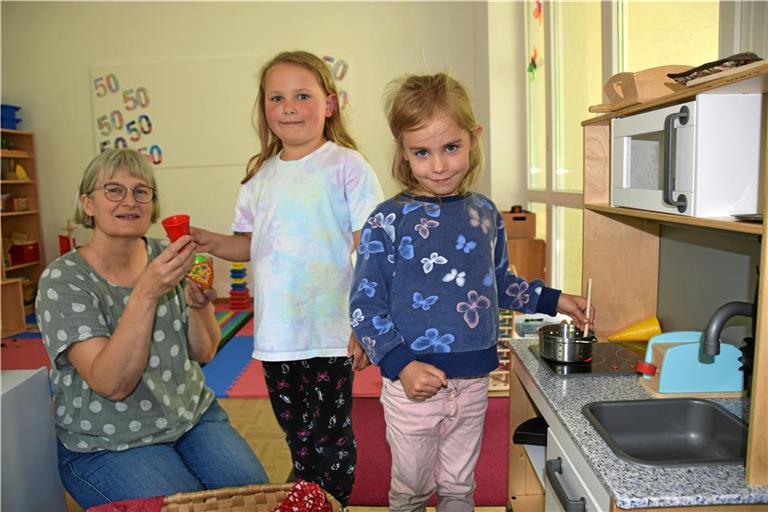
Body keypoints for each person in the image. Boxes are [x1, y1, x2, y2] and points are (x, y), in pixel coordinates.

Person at [348, 72, 593, 511]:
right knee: (410, 491)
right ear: (403, 151)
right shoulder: (386, 220)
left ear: (473, 137)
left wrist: (555, 301)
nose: (438, 165)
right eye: (421, 152)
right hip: (410, 385)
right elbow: (366, 306)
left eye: (450, 148)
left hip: (474, 381)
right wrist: (400, 365)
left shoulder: (484, 214)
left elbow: (501, 284)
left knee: (461, 488)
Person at [191, 50, 383, 506]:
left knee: (330, 436)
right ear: (265, 108)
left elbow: (370, 250)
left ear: (329, 104)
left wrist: (366, 322)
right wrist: (207, 240)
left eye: (302, 95)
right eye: (277, 97)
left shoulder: (346, 166)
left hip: (329, 331)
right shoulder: (259, 176)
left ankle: (331, 501)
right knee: (297, 437)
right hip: (277, 335)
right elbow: (249, 246)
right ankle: (305, 496)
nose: (290, 106)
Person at [36, 149, 268, 509]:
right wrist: (145, 293)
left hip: (191, 419)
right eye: (113, 190)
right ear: (88, 203)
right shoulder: (64, 279)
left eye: (141, 191)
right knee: (188, 508)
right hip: (108, 442)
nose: (130, 201)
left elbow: (204, 352)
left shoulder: (167, 254)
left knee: (255, 501)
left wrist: (198, 305)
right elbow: (112, 384)